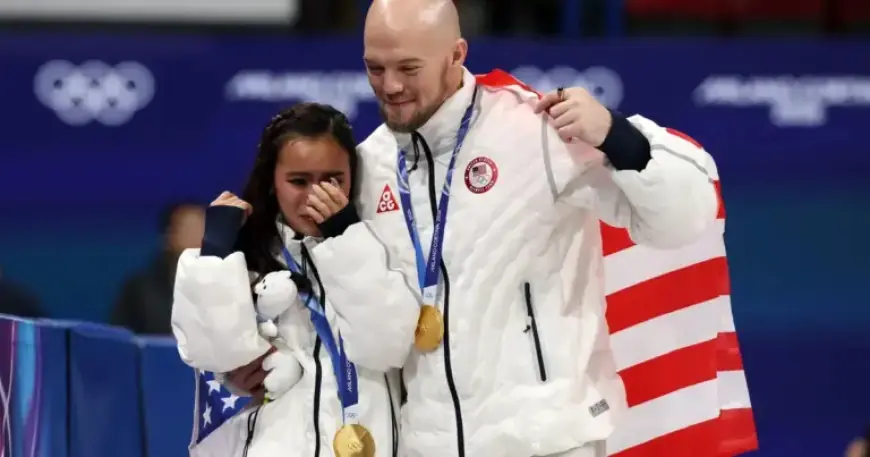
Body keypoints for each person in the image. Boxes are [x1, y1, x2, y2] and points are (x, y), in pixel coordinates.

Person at [332, 0, 721, 456]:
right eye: (374, 68)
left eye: (408, 68)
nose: (390, 85)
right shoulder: (367, 165)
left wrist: (617, 134)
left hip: (547, 442)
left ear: (457, 55)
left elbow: (683, 218)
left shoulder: (533, 130)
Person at [171, 103, 418, 456]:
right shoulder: (246, 256)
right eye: (298, 181)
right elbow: (213, 354)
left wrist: (344, 238)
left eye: (333, 180)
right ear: (272, 182)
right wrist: (215, 254)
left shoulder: (381, 246)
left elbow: (387, 346)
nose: (316, 195)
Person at [111, 202, 205, 334]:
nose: (197, 238)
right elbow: (119, 340)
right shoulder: (140, 291)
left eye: (202, 229)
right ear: (169, 237)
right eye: (189, 229)